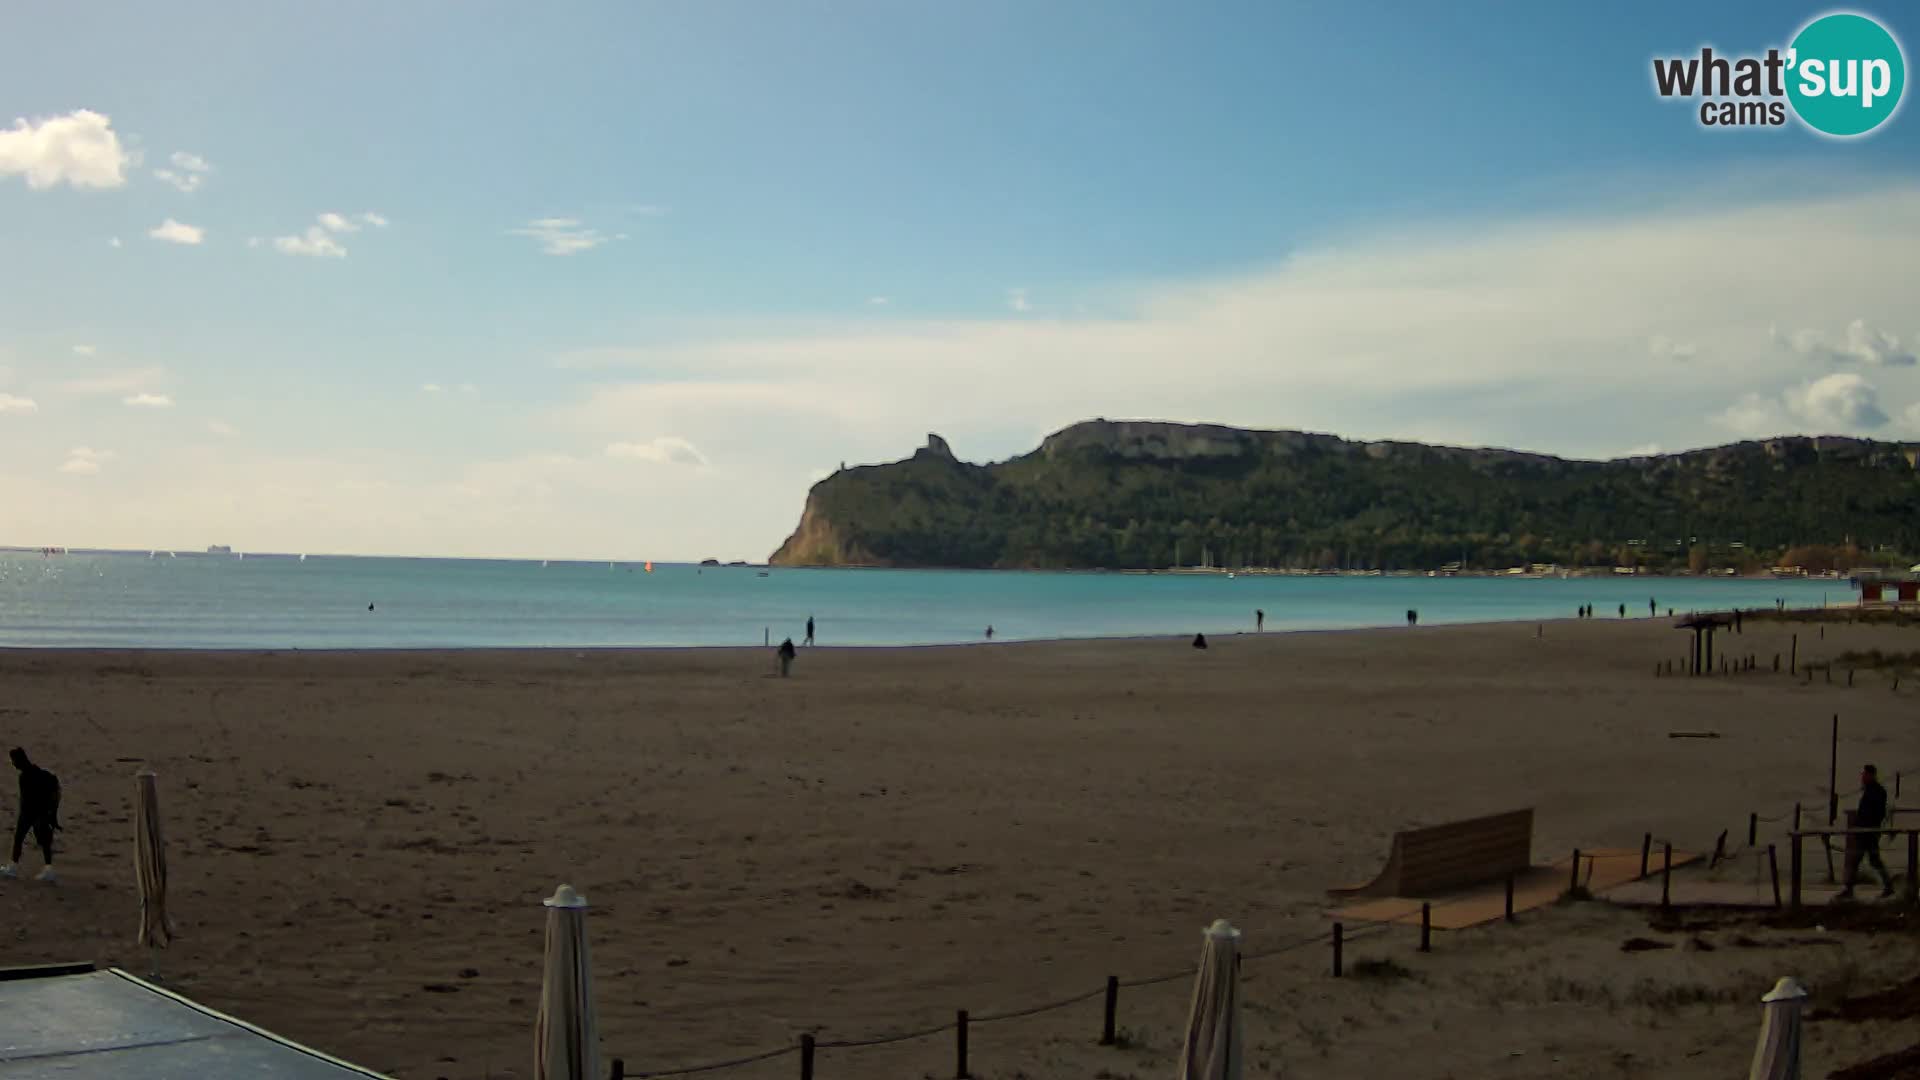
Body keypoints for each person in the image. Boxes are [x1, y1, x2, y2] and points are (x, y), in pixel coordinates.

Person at [2, 747, 60, 882]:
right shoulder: (42, 773)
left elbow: (26, 800)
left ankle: (13, 867)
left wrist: (30, 818)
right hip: (43, 813)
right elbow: (55, 793)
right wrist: (52, 815)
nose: (13, 764)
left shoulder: (24, 777)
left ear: (19, 760)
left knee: (19, 839)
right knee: (45, 842)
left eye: (13, 761)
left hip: (31, 814)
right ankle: (48, 869)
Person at [1838, 764, 1894, 900]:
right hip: (1866, 831)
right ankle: (1887, 886)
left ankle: (1850, 889)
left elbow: (1873, 813)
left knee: (1861, 860)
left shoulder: (1875, 791)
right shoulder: (1871, 790)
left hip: (1868, 832)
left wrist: (1864, 826)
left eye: (1865, 774)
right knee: (1868, 860)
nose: (1862, 777)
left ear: (1871, 775)